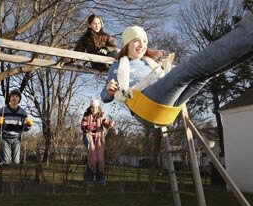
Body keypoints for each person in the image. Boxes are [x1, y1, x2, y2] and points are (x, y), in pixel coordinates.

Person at [101, 10, 253, 126]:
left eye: (145, 41)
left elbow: (166, 81)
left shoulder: (150, 63)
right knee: (190, 67)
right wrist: (109, 90)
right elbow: (105, 95)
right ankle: (248, 30)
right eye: (136, 41)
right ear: (127, 44)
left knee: (204, 76)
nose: (142, 45)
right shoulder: (119, 65)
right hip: (145, 106)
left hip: (166, 110)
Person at [0, 89, 33, 166]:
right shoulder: (2, 110)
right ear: (9, 98)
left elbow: (25, 129)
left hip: (17, 139)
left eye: (17, 96)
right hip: (5, 138)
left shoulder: (23, 113)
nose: (14, 98)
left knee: (16, 162)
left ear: (19, 99)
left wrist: (29, 125)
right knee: (7, 161)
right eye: (12, 96)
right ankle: (0, 157)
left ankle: (13, 173)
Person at [81, 99, 114, 184]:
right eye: (92, 108)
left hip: (99, 139)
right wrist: (88, 127)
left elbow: (106, 125)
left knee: (99, 159)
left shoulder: (101, 117)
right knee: (93, 158)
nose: (94, 110)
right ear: (90, 108)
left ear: (98, 108)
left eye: (95, 108)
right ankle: (89, 179)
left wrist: (110, 124)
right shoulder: (86, 117)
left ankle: (100, 179)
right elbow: (83, 126)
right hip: (88, 138)